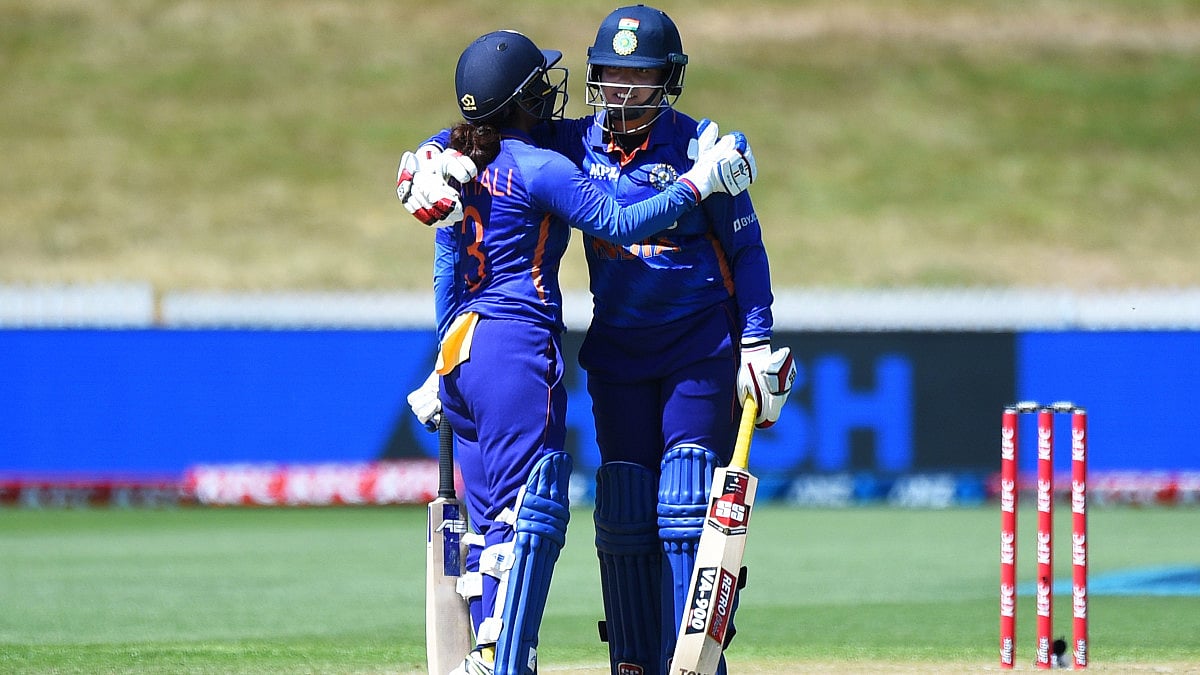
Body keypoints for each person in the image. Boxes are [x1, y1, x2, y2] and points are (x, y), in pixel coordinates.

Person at [398, 28, 758, 675]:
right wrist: (697, 184)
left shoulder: (461, 167)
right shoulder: (548, 159)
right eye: (539, 86)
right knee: (541, 511)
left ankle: (496, 648)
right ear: (522, 100)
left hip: (475, 349)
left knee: (504, 521)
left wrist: (444, 351)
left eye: (639, 73)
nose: (619, 88)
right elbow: (619, 221)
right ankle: (513, 656)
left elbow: (447, 259)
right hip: (522, 345)